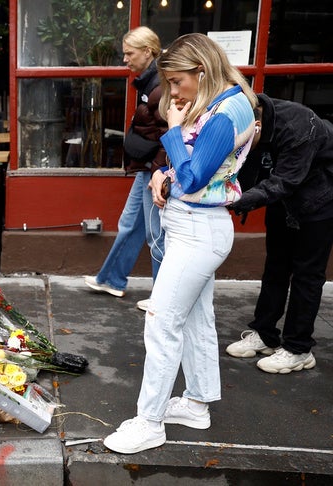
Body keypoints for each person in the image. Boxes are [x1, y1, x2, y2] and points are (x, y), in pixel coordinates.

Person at [103, 33, 256, 454]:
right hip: (198, 226)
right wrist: (163, 175)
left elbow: (193, 178)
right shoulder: (227, 103)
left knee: (162, 322)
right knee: (194, 320)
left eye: (176, 80)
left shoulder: (225, 112)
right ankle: (197, 404)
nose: (171, 91)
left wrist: (171, 129)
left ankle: (150, 422)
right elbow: (194, 172)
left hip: (198, 231)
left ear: (201, 71)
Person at [225, 94, 333, 374]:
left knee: (307, 275)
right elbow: (245, 168)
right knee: (275, 268)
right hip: (281, 198)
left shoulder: (299, 125)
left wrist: (235, 201)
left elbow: (285, 180)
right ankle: (265, 335)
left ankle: (298, 348)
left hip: (320, 199)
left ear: (257, 125)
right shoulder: (247, 120)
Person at [84, 27, 167, 312]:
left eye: (129, 53)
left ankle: (163, 297)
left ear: (148, 51)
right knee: (132, 224)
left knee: (155, 234)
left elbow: (168, 134)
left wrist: (158, 171)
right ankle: (111, 279)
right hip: (146, 168)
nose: (125, 59)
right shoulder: (151, 82)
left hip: (152, 170)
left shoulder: (159, 86)